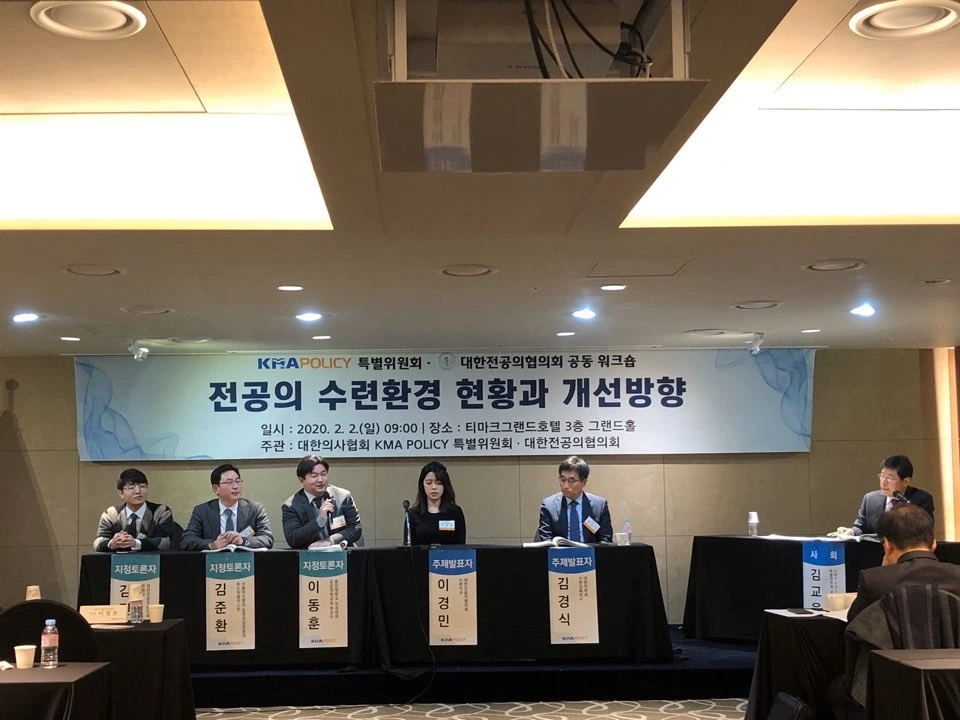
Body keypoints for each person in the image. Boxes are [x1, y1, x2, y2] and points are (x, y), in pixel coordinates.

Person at [847, 504, 960, 623]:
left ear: (887, 544)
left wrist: (883, 571)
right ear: (934, 544)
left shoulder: (874, 581)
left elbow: (855, 624)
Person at [179, 464, 274, 550]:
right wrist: (212, 544)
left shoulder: (255, 509)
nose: (235, 486)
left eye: (238, 481)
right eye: (229, 482)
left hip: (246, 561)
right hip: (214, 561)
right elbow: (187, 540)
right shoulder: (202, 511)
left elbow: (267, 538)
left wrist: (243, 541)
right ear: (216, 488)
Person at [838, 455, 935, 536]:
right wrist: (851, 532)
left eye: (890, 478)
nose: (884, 482)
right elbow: (860, 527)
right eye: (882, 476)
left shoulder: (921, 499)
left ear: (906, 481)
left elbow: (925, 532)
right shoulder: (870, 499)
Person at [281, 455, 362, 548]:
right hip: (310, 555)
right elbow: (293, 539)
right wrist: (319, 521)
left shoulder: (342, 497)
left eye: (323, 474)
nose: (320, 480)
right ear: (301, 480)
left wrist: (331, 541)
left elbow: (355, 528)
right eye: (314, 476)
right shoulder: (291, 506)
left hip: (342, 553)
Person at [93, 468, 178, 552]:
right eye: (131, 488)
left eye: (142, 486)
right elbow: (98, 541)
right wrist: (112, 543)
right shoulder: (111, 514)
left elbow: (165, 542)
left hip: (152, 560)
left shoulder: (161, 512)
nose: (138, 491)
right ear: (121, 493)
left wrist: (136, 543)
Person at [538, 456, 613, 543]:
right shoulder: (549, 505)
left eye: (571, 481)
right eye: (562, 480)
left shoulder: (599, 505)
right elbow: (546, 539)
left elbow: (605, 539)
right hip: (560, 551)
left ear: (584, 482)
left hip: (590, 551)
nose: (565, 486)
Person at [405, 461, 466, 545]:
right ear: (422, 485)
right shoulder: (413, 514)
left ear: (445, 485)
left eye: (438, 483)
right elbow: (408, 548)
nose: (434, 487)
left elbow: (461, 546)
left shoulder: (455, 512)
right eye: (429, 483)